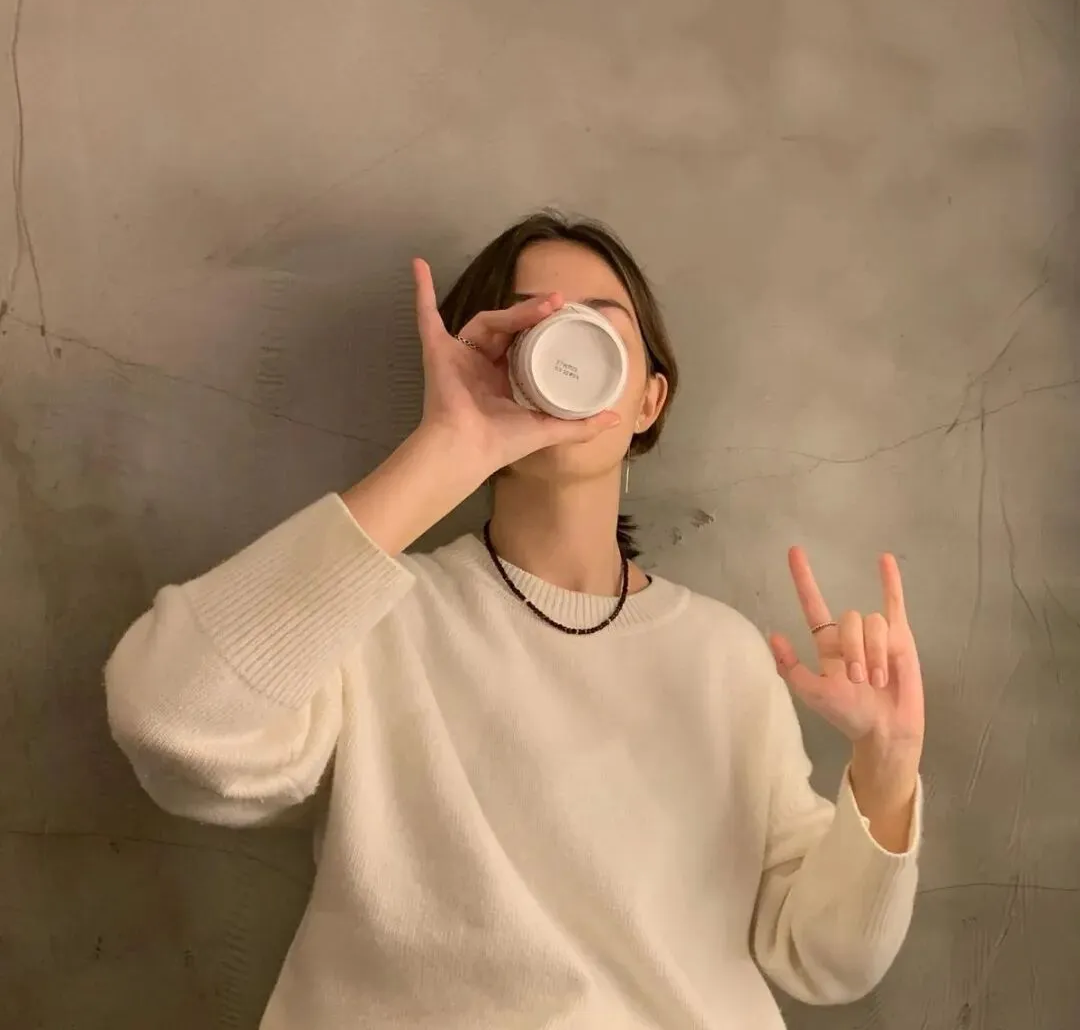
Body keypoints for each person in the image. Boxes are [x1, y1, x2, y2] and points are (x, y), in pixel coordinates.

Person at [104, 212, 924, 1030]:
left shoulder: (723, 655)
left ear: (648, 398)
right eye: (528, 328)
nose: (567, 348)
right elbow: (172, 723)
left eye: (599, 326)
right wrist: (448, 448)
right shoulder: (375, 615)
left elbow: (824, 957)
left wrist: (886, 772)